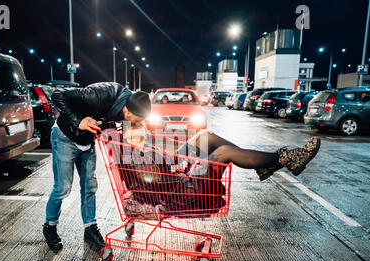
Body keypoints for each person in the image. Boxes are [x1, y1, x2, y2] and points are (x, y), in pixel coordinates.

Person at [118, 127, 321, 218]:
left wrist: (166, 158)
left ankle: (269, 163)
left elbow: (159, 171)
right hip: (183, 190)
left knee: (207, 136)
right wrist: (166, 161)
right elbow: (155, 180)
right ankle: (285, 158)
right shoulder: (131, 159)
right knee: (223, 153)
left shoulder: (134, 151)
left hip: (178, 176)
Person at [43, 82, 151, 251]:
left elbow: (116, 129)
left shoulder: (131, 104)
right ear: (127, 111)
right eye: (135, 120)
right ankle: (50, 226)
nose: (134, 124)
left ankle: (90, 228)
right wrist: (78, 121)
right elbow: (58, 95)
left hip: (86, 141)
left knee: (89, 187)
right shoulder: (99, 95)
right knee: (63, 188)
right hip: (65, 137)